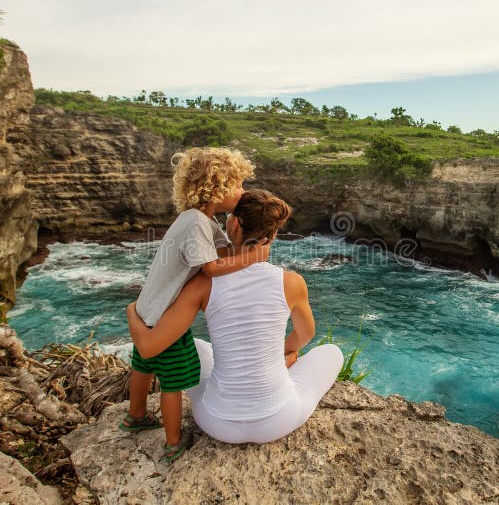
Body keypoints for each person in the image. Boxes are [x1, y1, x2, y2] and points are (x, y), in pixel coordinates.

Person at [127, 189, 344, 446]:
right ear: (273, 234)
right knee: (331, 352)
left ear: (233, 224)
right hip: (278, 419)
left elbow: (150, 347)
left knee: (194, 346)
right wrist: (284, 353)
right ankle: (281, 368)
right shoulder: (292, 282)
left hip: (216, 423)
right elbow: (306, 334)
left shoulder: (203, 283)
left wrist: (132, 311)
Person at [121, 147, 269, 462]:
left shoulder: (198, 221)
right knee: (172, 382)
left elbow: (221, 253)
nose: (242, 192)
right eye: (239, 185)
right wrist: (253, 257)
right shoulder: (197, 224)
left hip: (149, 308)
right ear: (218, 189)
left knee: (142, 367)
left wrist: (237, 243)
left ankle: (134, 416)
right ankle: (173, 441)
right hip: (165, 317)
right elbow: (212, 268)